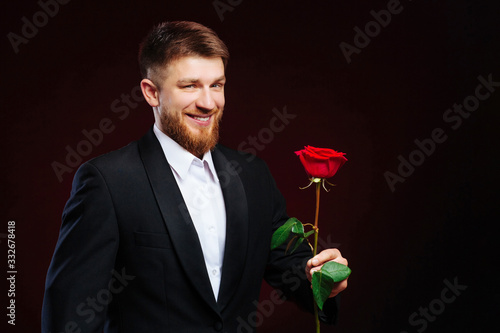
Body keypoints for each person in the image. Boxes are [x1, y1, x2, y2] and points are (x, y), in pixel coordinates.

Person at [42, 21, 348, 333]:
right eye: (190, 86)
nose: (208, 103)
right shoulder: (107, 182)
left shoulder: (253, 174)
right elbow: (70, 317)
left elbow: (290, 271)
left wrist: (321, 277)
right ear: (151, 93)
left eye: (217, 85)